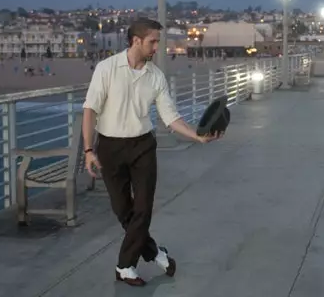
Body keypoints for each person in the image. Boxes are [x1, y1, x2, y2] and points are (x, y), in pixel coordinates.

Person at [82, 18, 221, 287]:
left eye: (158, 41)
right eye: (153, 41)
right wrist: (88, 149)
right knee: (124, 211)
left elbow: (170, 117)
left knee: (143, 209)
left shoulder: (156, 76)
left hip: (143, 146)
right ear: (136, 41)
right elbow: (90, 110)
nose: (157, 46)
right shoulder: (107, 69)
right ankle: (155, 252)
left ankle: (125, 266)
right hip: (110, 148)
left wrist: (197, 136)